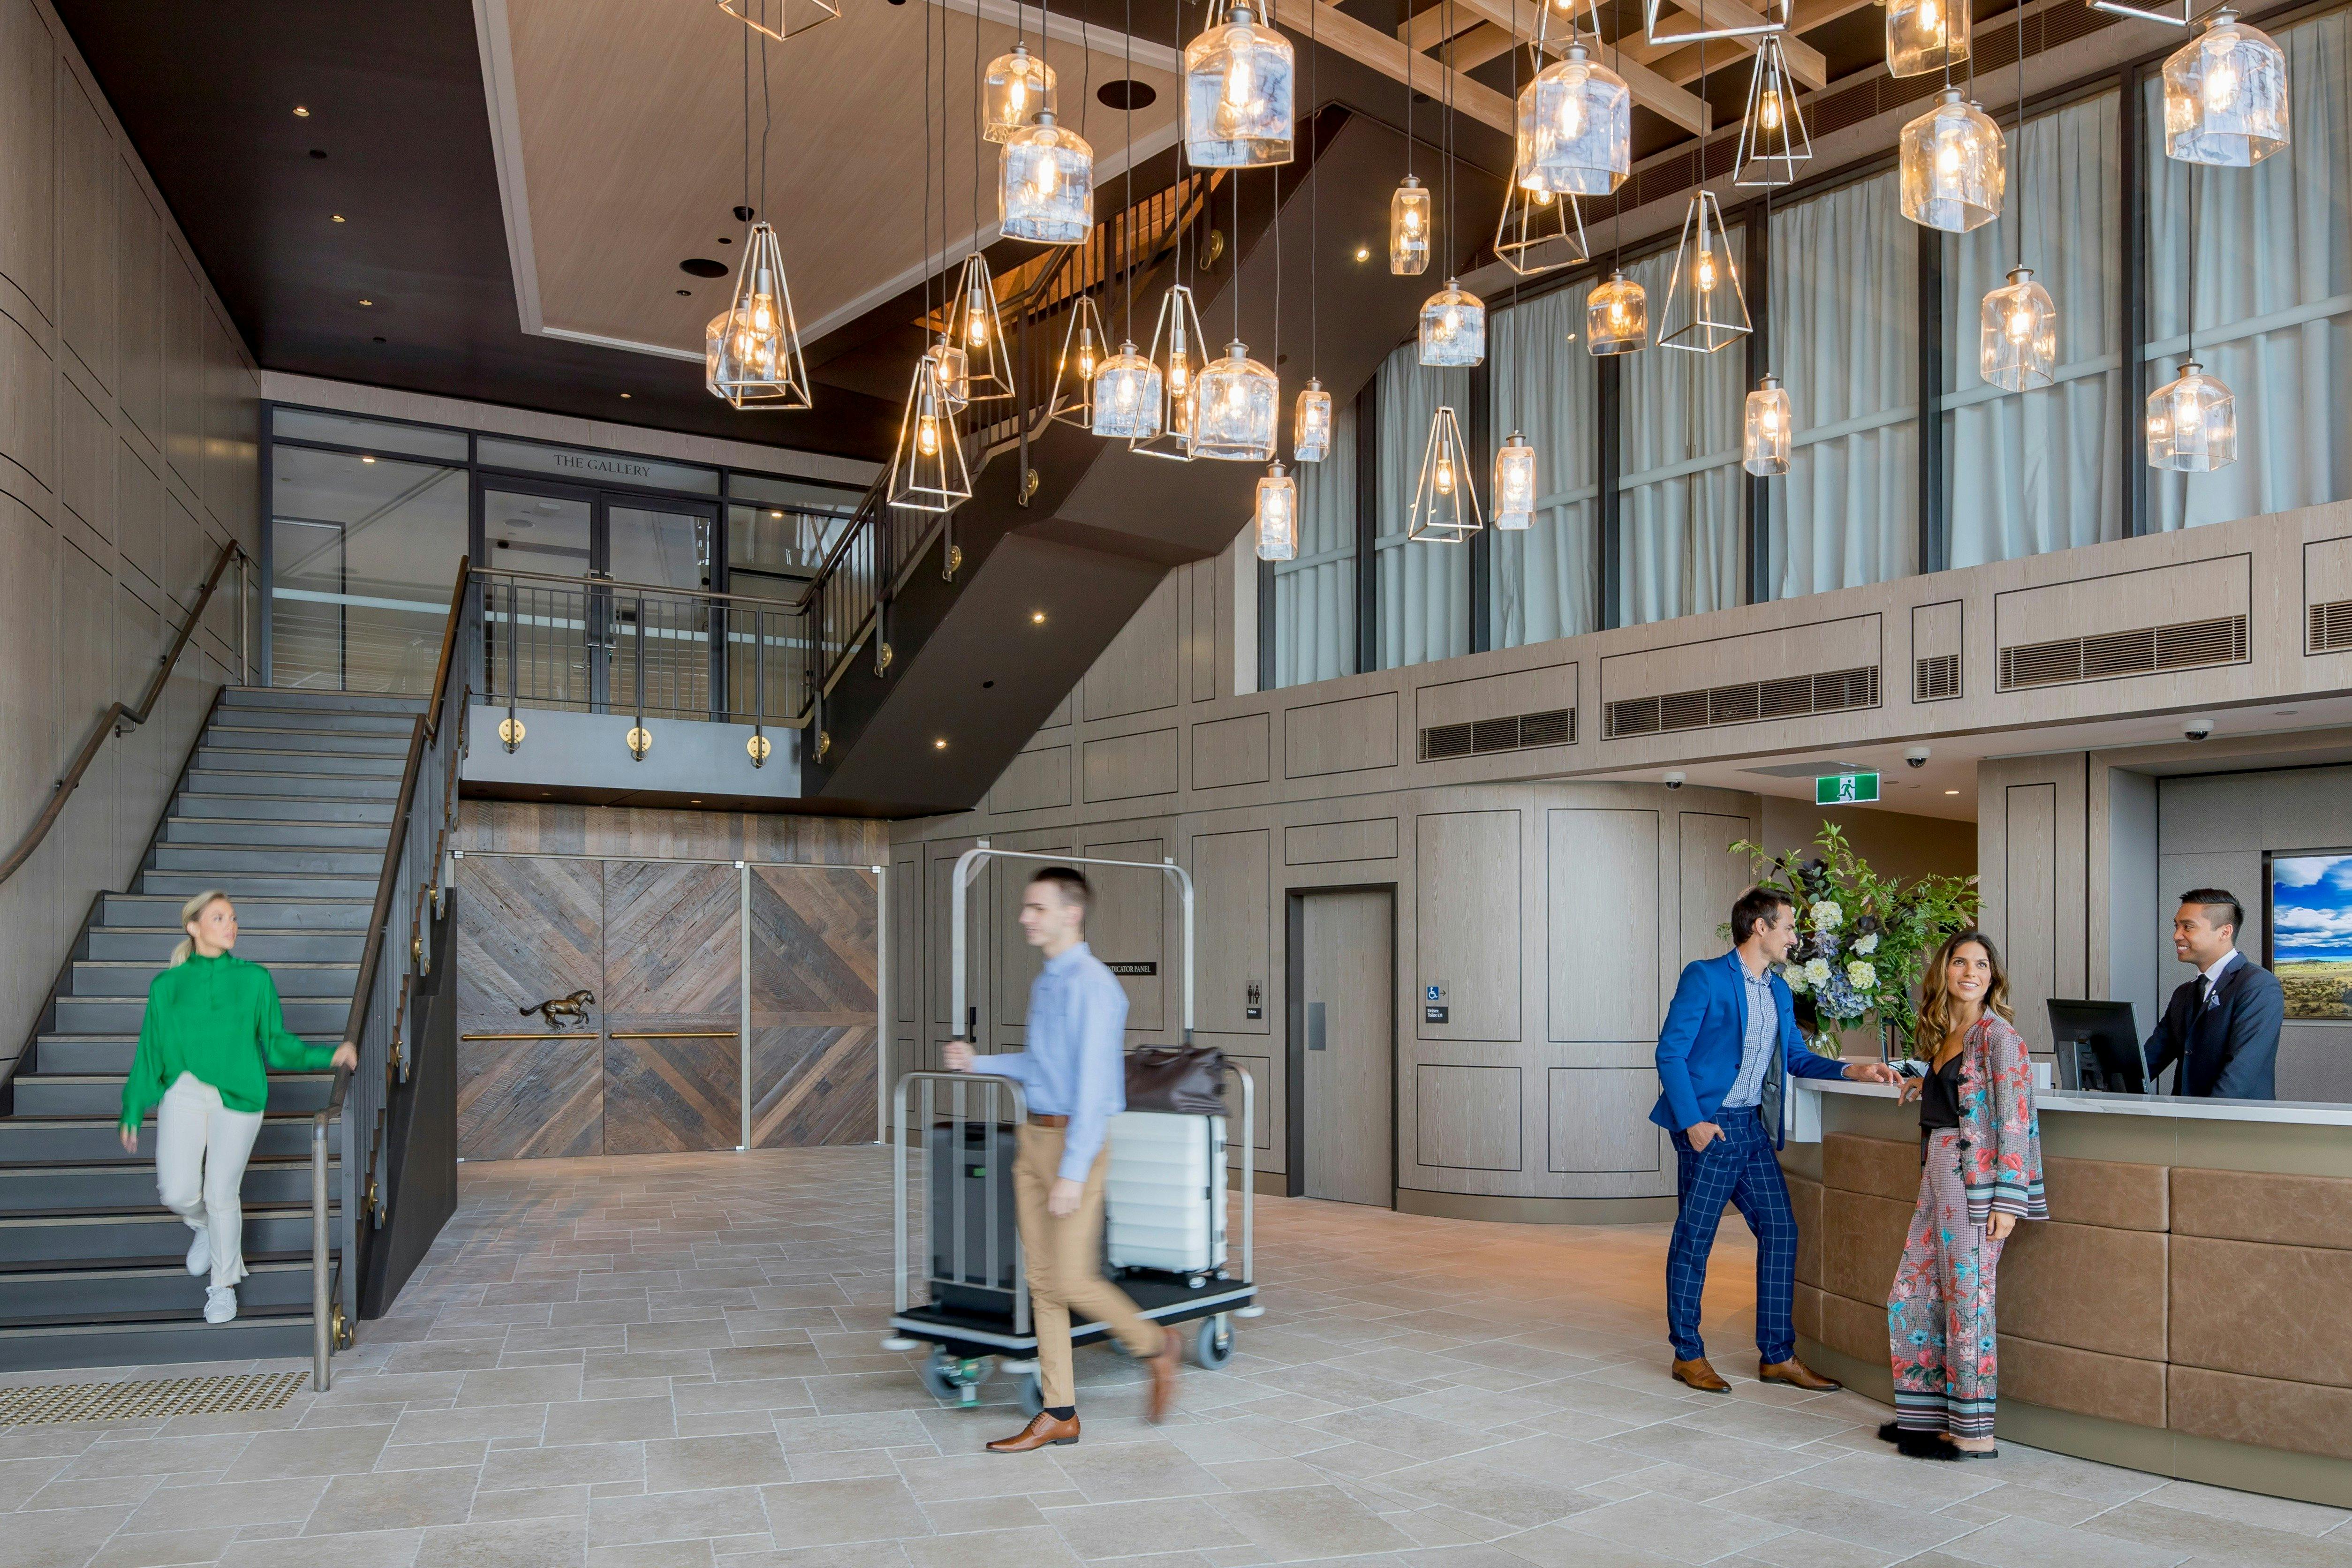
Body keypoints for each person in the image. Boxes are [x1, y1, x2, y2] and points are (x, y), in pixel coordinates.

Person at [943, 867, 1177, 1451]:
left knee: (1071, 1277)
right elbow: (1043, 1066)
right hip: (1034, 1140)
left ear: (1071, 914)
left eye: (1037, 908)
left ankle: (1155, 1344)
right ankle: (1059, 1412)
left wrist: (1072, 1171)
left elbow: (1095, 1088)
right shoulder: (1048, 981)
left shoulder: (1094, 986)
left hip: (1076, 1143)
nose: (1025, 917)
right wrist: (980, 1063)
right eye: (1027, 907)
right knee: (1044, 1282)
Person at [1652, 886, 1903, 1393]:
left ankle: (1777, 1355)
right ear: (1759, 927)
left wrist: (1850, 1068)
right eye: (1788, 926)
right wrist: (1693, 1123)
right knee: (1694, 1240)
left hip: (1752, 1128)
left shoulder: (1779, 990)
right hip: (1711, 1126)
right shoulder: (1704, 976)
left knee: (1782, 1230)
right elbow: (1669, 1053)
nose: (1795, 936)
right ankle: (1687, 1352)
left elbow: (1795, 1057)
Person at [118, 891, 357, 1325]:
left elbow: (279, 1047)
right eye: (219, 918)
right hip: (185, 1092)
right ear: (193, 927)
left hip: (241, 1098)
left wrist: (329, 1055)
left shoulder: (255, 980)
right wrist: (133, 1107)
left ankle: (222, 1286)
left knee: (221, 1192)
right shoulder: (167, 987)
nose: (231, 925)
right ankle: (204, 1227)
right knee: (176, 1191)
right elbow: (150, 1054)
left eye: (232, 918)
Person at [1883, 930, 2046, 1460]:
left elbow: (2014, 1118)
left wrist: (2007, 1199)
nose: (1969, 971)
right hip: (1937, 1170)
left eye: (1980, 964)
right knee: (1913, 1295)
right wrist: (1920, 1079)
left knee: (1967, 1305)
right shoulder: (1947, 1035)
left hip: (1972, 1179)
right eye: (1959, 962)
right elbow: (1953, 1091)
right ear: (1943, 971)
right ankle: (1927, 1419)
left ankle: (1973, 1433)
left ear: (1992, 977)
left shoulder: (1999, 1036)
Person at [2142, 889, 2283, 1100]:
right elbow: (2150, 1060)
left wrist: (2204, 1122)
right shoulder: (2184, 994)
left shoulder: (2259, 986)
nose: (2176, 935)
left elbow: (2241, 1072)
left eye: (2188, 927)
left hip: (2232, 1126)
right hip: (2184, 1124)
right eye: (2177, 926)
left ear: (2225, 932)